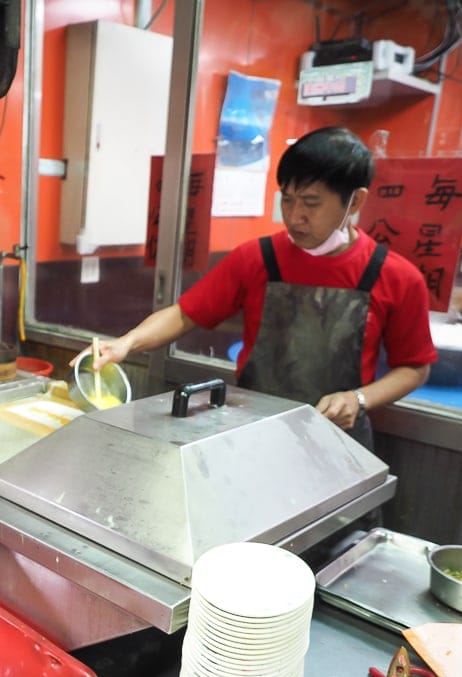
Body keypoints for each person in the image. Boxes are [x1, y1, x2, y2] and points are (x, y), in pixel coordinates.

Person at [85, 126, 437, 449]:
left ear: (355, 202)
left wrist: (358, 399)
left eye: (311, 203)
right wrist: (127, 343)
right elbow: (184, 315)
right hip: (254, 433)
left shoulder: (395, 276)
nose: (295, 216)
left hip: (337, 440)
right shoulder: (257, 258)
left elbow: (415, 367)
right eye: (287, 199)